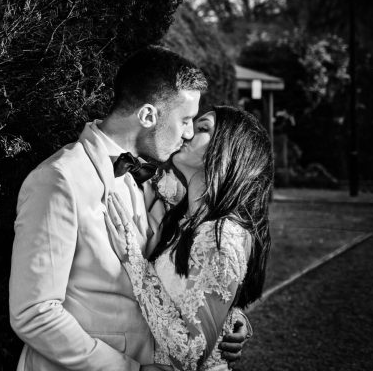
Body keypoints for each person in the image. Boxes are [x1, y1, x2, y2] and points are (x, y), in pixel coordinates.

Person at [9, 46, 250, 371]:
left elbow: (181, 269)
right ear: (148, 116)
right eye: (184, 120)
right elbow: (35, 313)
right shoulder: (59, 180)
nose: (189, 133)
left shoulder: (156, 180)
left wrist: (222, 318)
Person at [105, 106, 272, 371]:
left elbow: (191, 354)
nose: (188, 132)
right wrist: (229, 317)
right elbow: (198, 292)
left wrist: (133, 260)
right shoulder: (185, 213)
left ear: (228, 153)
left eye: (203, 128)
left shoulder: (221, 236)